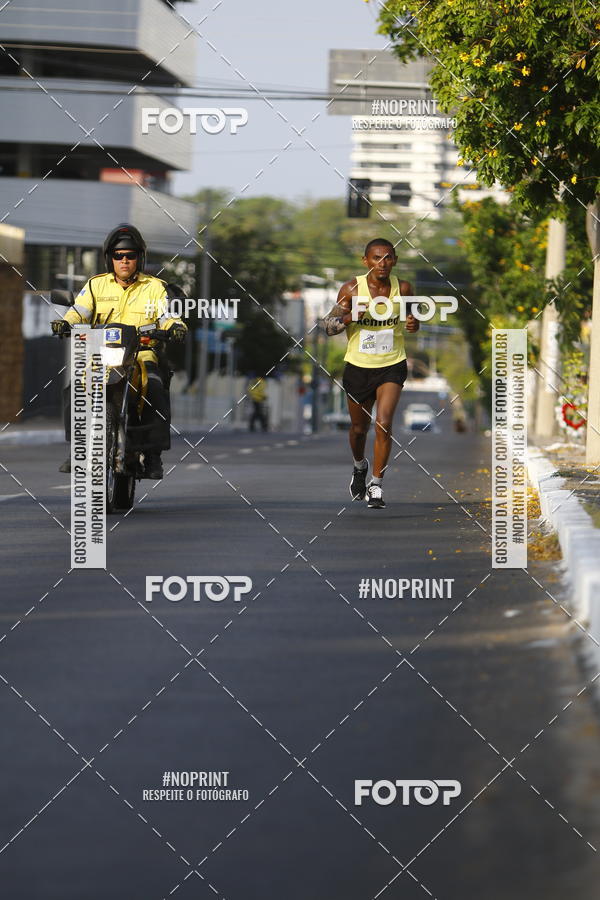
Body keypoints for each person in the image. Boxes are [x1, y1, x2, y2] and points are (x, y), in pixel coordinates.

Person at [51, 223, 186, 479]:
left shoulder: (155, 287)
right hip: (100, 354)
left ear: (140, 258)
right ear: (109, 258)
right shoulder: (95, 285)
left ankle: (153, 455)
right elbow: (80, 310)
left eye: (130, 255)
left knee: (155, 385)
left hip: (142, 353)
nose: (124, 260)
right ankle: (77, 449)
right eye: (118, 255)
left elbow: (167, 314)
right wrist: (66, 322)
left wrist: (175, 326)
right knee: (76, 388)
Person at [323, 238, 419, 509]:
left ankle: (376, 484)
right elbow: (327, 327)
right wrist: (349, 317)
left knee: (384, 422)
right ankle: (359, 466)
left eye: (388, 257)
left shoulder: (404, 288)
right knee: (358, 429)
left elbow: (413, 320)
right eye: (376, 258)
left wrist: (413, 323)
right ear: (365, 261)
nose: (382, 263)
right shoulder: (352, 289)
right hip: (358, 366)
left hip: (392, 363)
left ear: (395, 261)